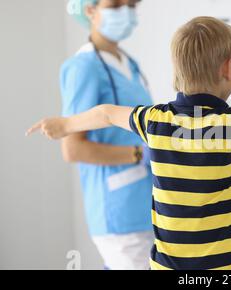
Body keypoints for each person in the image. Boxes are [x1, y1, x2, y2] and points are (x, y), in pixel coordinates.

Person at [27, 16, 231, 270]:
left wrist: (65, 125)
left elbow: (105, 113)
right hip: (226, 265)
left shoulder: (155, 120)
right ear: (229, 68)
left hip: (167, 267)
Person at [62, 0, 154, 270]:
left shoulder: (129, 64)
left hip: (145, 204)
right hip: (117, 210)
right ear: (89, 10)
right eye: (115, 5)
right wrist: (140, 154)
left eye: (131, 4)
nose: (126, 11)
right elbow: (73, 149)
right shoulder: (83, 67)